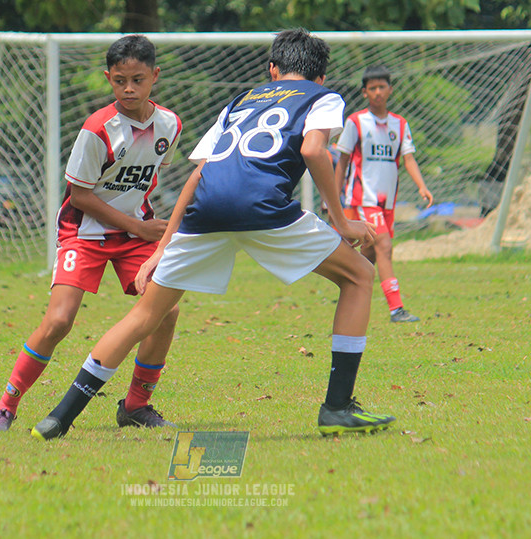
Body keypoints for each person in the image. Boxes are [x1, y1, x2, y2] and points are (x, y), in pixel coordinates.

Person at [32, 28, 394, 441]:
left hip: (205, 209)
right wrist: (343, 223)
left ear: (272, 69)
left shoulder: (241, 102)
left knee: (143, 316)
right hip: (262, 205)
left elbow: (200, 172)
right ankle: (338, 407)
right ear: (322, 77)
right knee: (359, 277)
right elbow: (314, 151)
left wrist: (159, 251)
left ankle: (60, 416)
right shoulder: (321, 97)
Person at [0, 34, 183, 433]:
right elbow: (80, 195)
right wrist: (138, 226)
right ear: (109, 78)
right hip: (84, 231)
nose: (129, 88)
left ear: (154, 76)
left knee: (166, 312)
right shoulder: (97, 128)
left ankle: (136, 406)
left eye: (138, 80)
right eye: (120, 80)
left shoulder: (170, 124)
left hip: (133, 235)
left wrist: (144, 228)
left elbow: (146, 181)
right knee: (59, 321)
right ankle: (6, 406)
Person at [334, 65, 433, 323]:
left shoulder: (400, 124)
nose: (377, 92)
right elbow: (342, 162)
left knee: (369, 253)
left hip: (388, 202)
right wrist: (332, 198)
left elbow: (408, 159)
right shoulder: (355, 122)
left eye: (382, 87)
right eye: (372, 88)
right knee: (385, 246)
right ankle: (396, 309)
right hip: (364, 199)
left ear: (390, 89)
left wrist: (422, 186)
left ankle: (345, 286)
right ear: (365, 92)